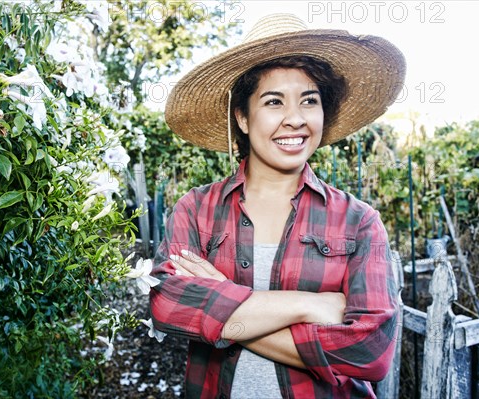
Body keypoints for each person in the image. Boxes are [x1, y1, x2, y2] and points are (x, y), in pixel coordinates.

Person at [149, 13, 405, 399]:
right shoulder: (196, 209)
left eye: (309, 101)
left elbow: (371, 352)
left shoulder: (358, 222)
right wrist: (310, 305)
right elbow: (169, 306)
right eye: (273, 101)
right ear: (243, 118)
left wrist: (220, 300)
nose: (295, 119)